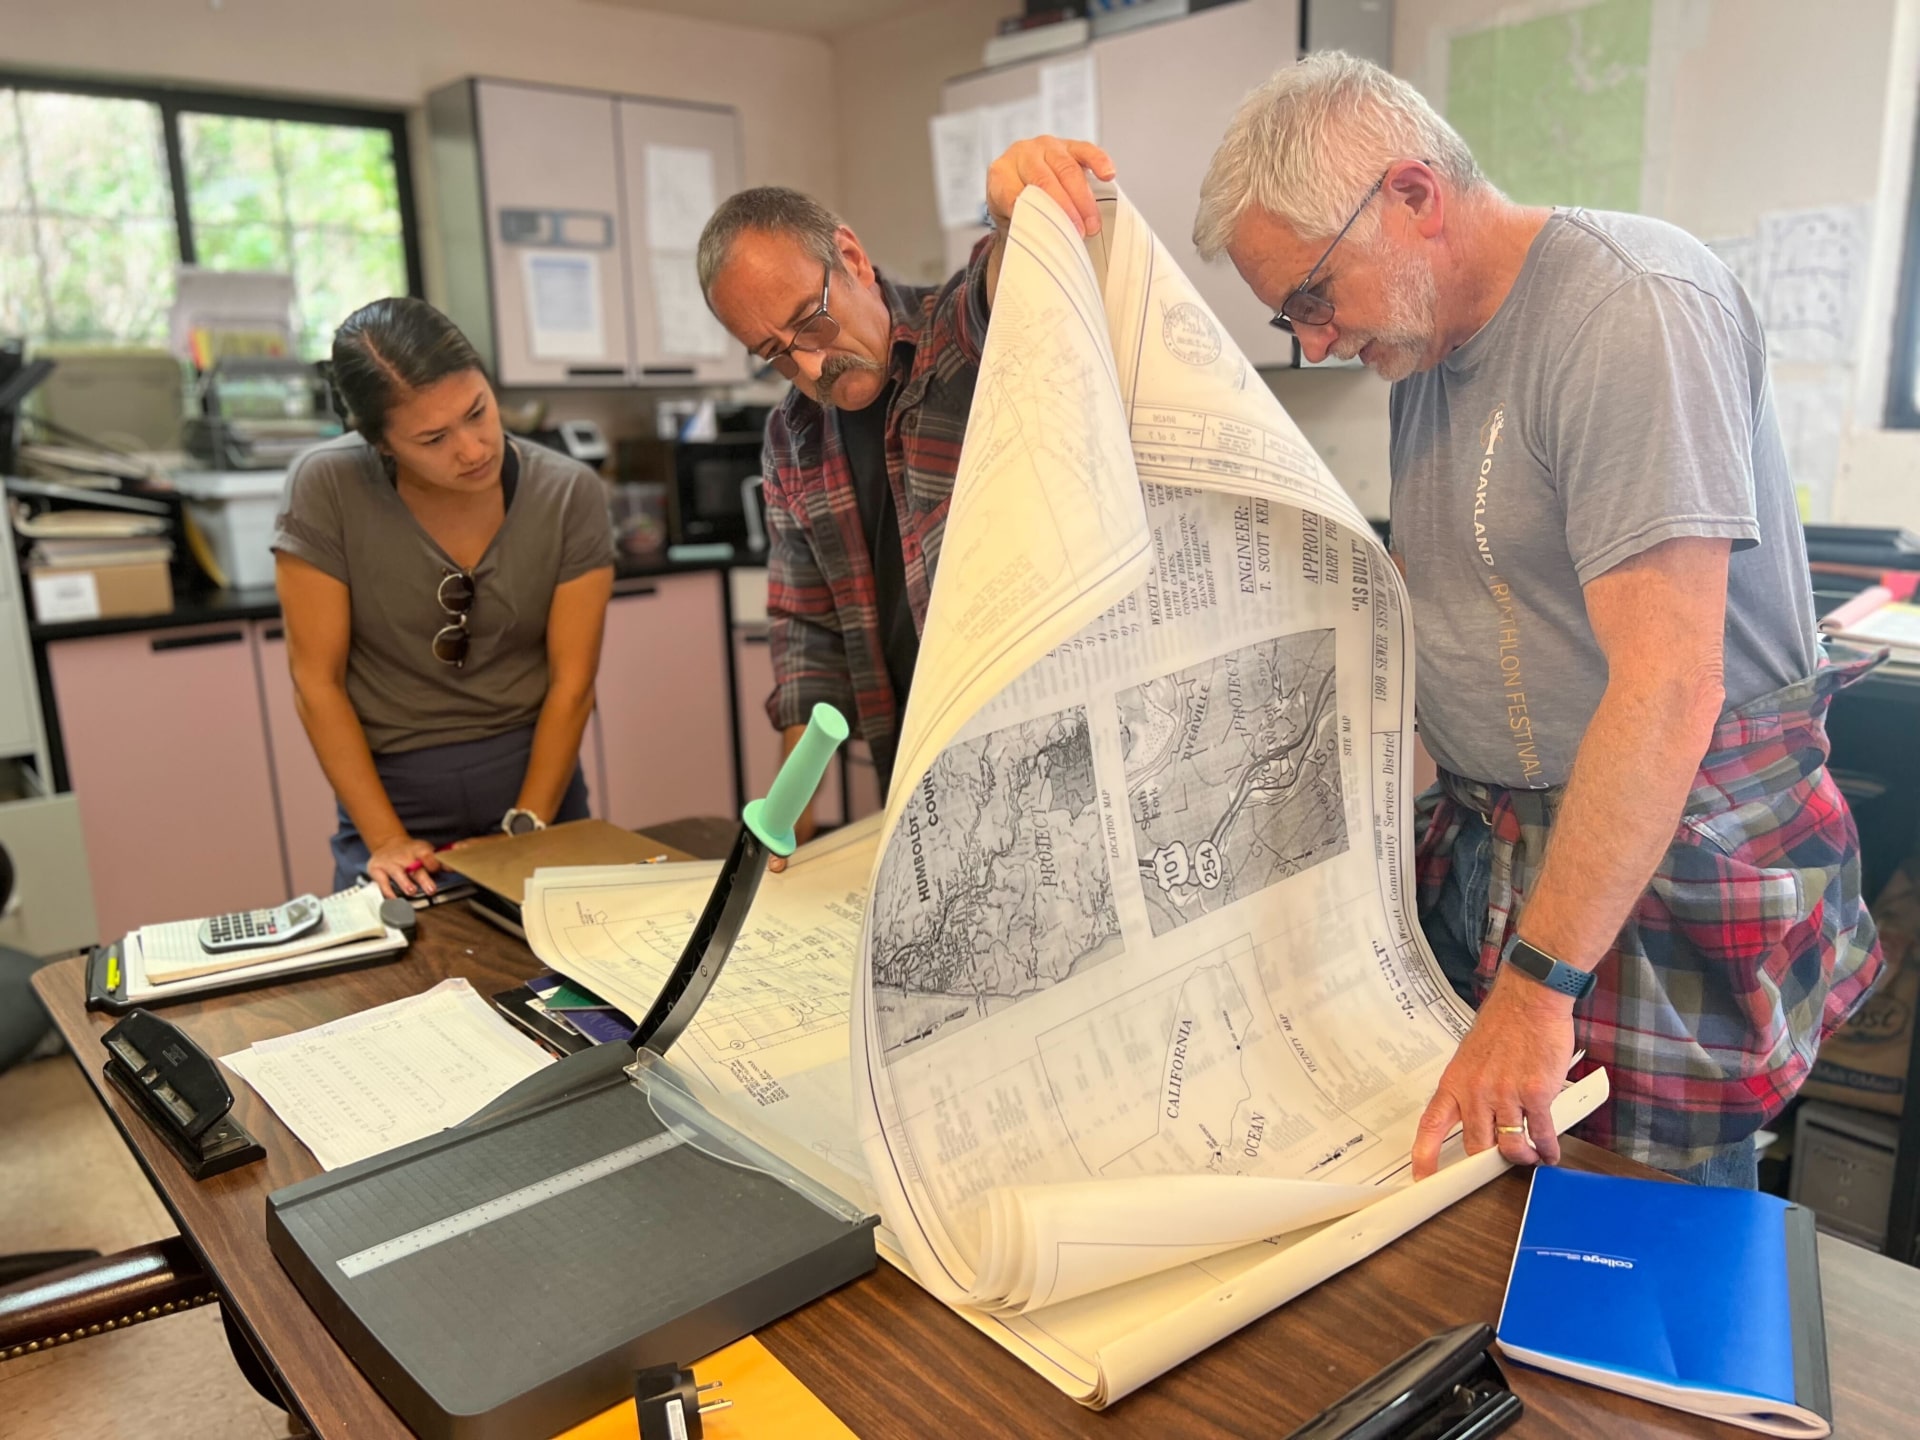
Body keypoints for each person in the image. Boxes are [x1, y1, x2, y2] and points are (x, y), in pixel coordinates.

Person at [1126, 49, 1885, 1186]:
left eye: (1313, 298)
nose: (1318, 341)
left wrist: (1539, 986)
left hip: (1658, 866)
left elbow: (1670, 687)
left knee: (1638, 1238)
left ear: (1415, 195)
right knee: (1501, 1210)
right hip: (1511, 856)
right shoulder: (1426, 348)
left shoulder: (1631, 310)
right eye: (1291, 317)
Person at [695, 167, 1109, 853]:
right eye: (775, 354)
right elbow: (808, 635)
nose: (811, 363)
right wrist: (790, 812)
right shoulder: (791, 438)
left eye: (811, 321)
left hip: (1050, 757)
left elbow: (997, 289)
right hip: (920, 780)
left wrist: (1018, 203)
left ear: (851, 258)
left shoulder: (956, 339)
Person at [272, 297, 615, 898]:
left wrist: (527, 827)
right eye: (433, 438)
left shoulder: (569, 494)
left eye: (478, 411)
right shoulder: (326, 487)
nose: (474, 449)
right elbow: (315, 682)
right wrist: (385, 841)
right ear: (381, 443)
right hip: (392, 799)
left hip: (540, 789)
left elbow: (573, 682)